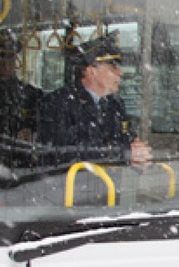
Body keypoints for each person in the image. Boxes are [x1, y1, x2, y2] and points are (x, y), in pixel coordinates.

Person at [38, 31, 151, 167]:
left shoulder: (115, 104)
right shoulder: (58, 103)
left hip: (108, 185)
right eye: (112, 67)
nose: (120, 73)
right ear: (91, 71)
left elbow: (129, 141)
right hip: (71, 185)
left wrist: (139, 155)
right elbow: (63, 153)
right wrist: (122, 154)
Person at [0, 29, 43, 167]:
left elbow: (44, 130)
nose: (6, 65)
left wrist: (33, 134)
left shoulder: (32, 94)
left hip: (24, 166)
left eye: (10, 59)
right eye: (1, 59)